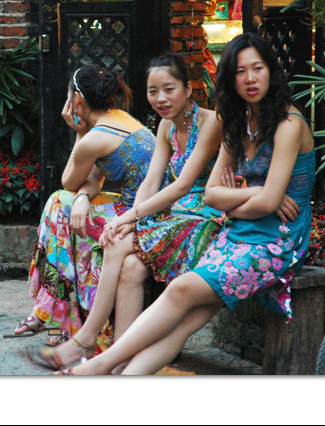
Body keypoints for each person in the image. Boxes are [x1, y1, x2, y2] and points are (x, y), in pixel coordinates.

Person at [59, 32, 315, 375]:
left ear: (272, 71)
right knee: (187, 321)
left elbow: (263, 202)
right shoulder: (236, 123)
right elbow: (215, 195)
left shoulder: (289, 123)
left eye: (258, 68)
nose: (250, 79)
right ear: (230, 79)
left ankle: (99, 364)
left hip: (278, 240)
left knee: (181, 289)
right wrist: (255, 195)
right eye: (240, 71)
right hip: (238, 231)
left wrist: (252, 199)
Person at [25, 53, 223, 370]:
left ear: (188, 89)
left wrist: (130, 217)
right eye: (153, 91)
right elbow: (151, 182)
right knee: (129, 264)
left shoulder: (210, 123)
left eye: (169, 89)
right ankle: (118, 360)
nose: (161, 99)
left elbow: (183, 185)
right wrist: (131, 219)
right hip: (170, 213)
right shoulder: (166, 126)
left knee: (110, 238)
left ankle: (85, 339)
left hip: (205, 216)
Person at [7, 64, 155, 347]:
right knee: (63, 205)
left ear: (76, 100)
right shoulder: (118, 118)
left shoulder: (93, 138)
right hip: (139, 208)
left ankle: (58, 314)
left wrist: (78, 132)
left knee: (58, 205)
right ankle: (56, 312)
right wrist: (82, 198)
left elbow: (68, 181)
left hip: (139, 217)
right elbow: (92, 181)